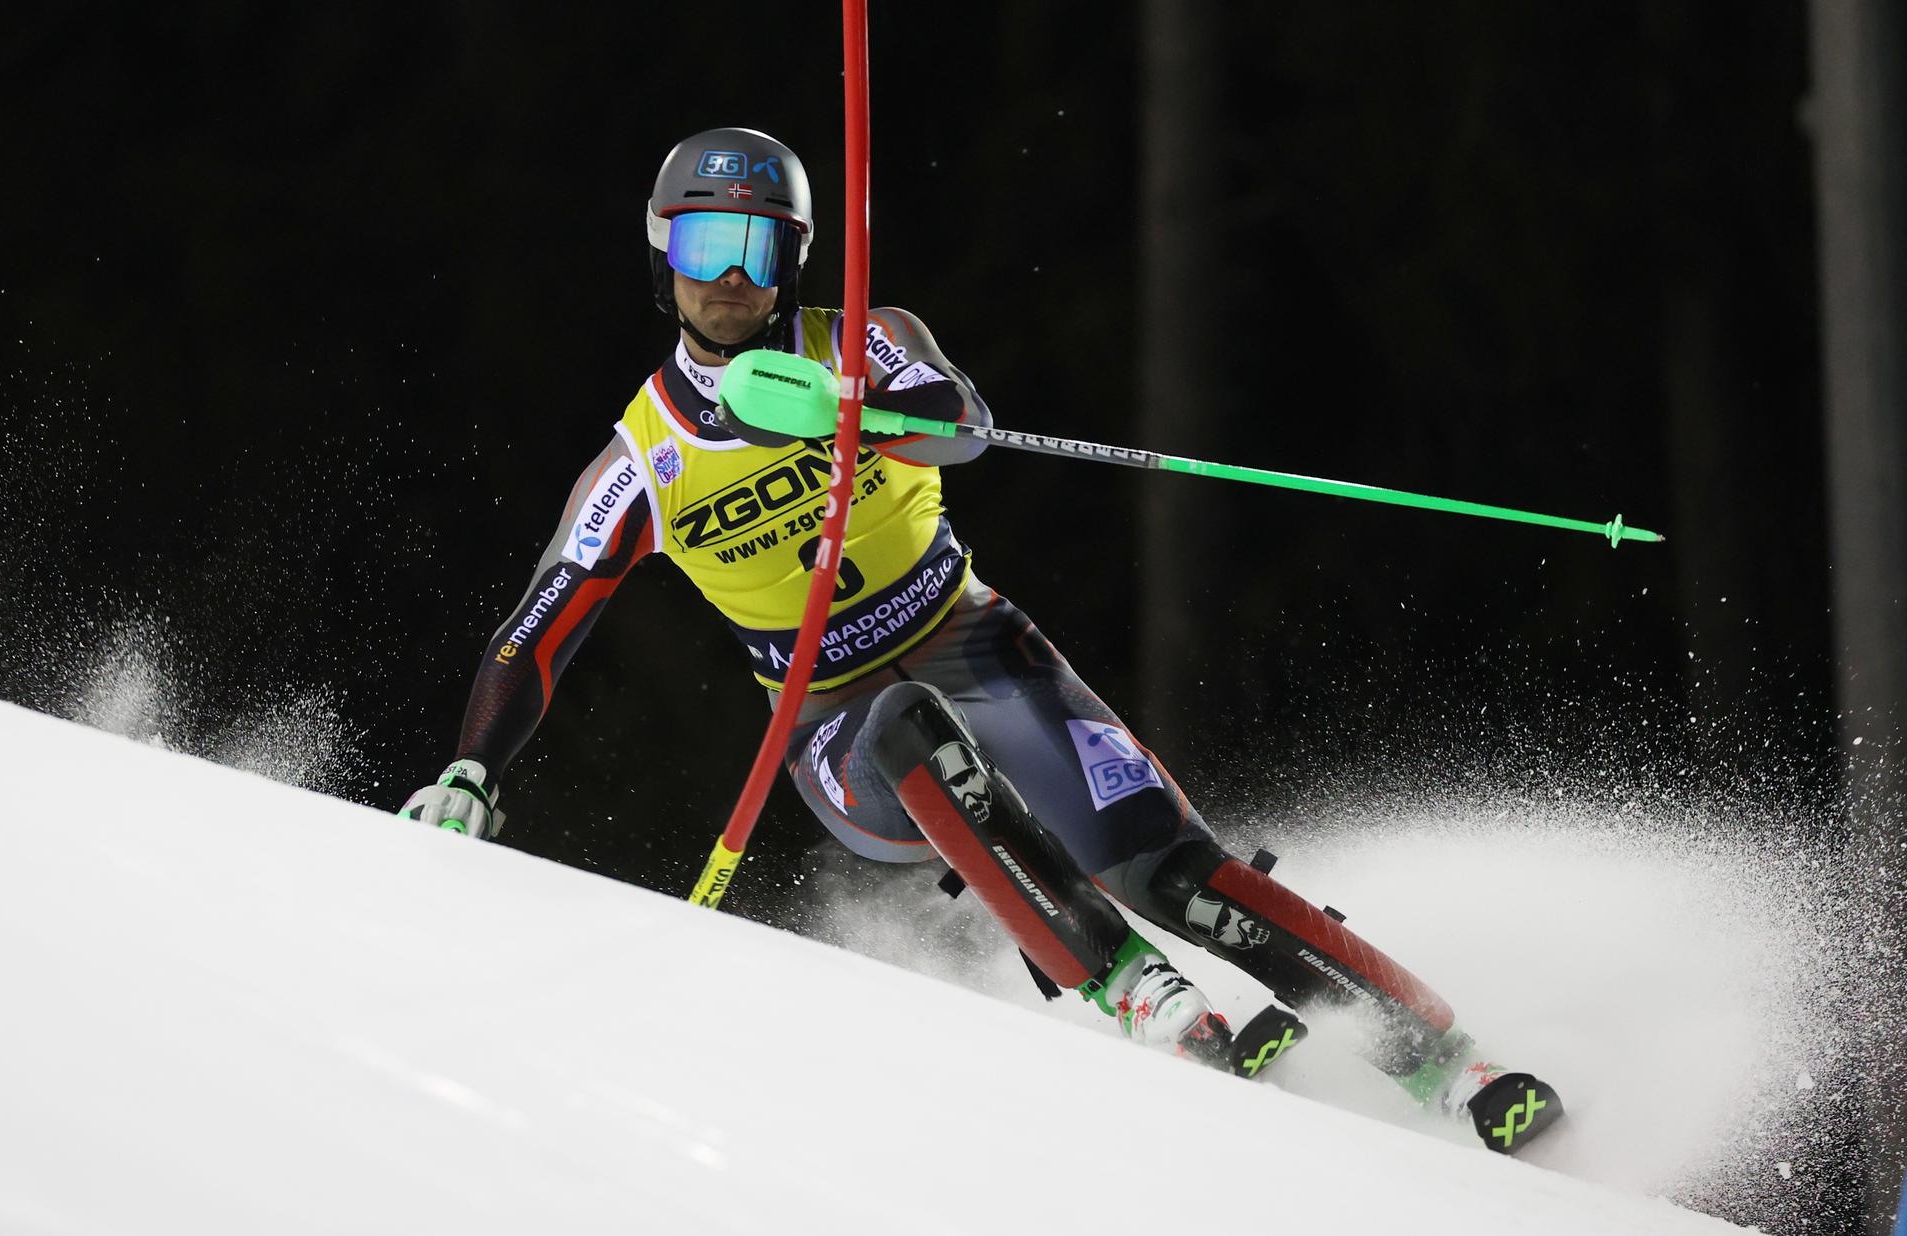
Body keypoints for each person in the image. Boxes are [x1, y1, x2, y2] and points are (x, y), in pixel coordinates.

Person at [400, 126, 1561, 1153]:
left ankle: (1451, 1066)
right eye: (706, 249)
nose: (731, 281)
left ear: (795, 258)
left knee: (1172, 865)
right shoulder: (641, 459)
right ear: (663, 254)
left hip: (976, 639)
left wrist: (868, 414)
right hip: (831, 722)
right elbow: (538, 627)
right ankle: (1130, 987)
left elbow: (964, 425)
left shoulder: (863, 340)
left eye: (759, 251)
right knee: (909, 730)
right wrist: (473, 769)